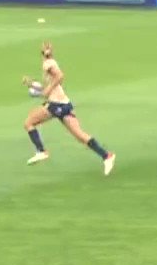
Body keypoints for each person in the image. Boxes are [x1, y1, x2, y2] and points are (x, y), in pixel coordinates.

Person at [22, 41, 116, 174]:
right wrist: (32, 84)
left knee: (29, 123)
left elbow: (59, 77)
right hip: (64, 104)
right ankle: (107, 156)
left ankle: (41, 151)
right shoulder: (51, 63)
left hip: (56, 105)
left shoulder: (47, 64)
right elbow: (49, 85)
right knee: (80, 136)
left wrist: (48, 90)